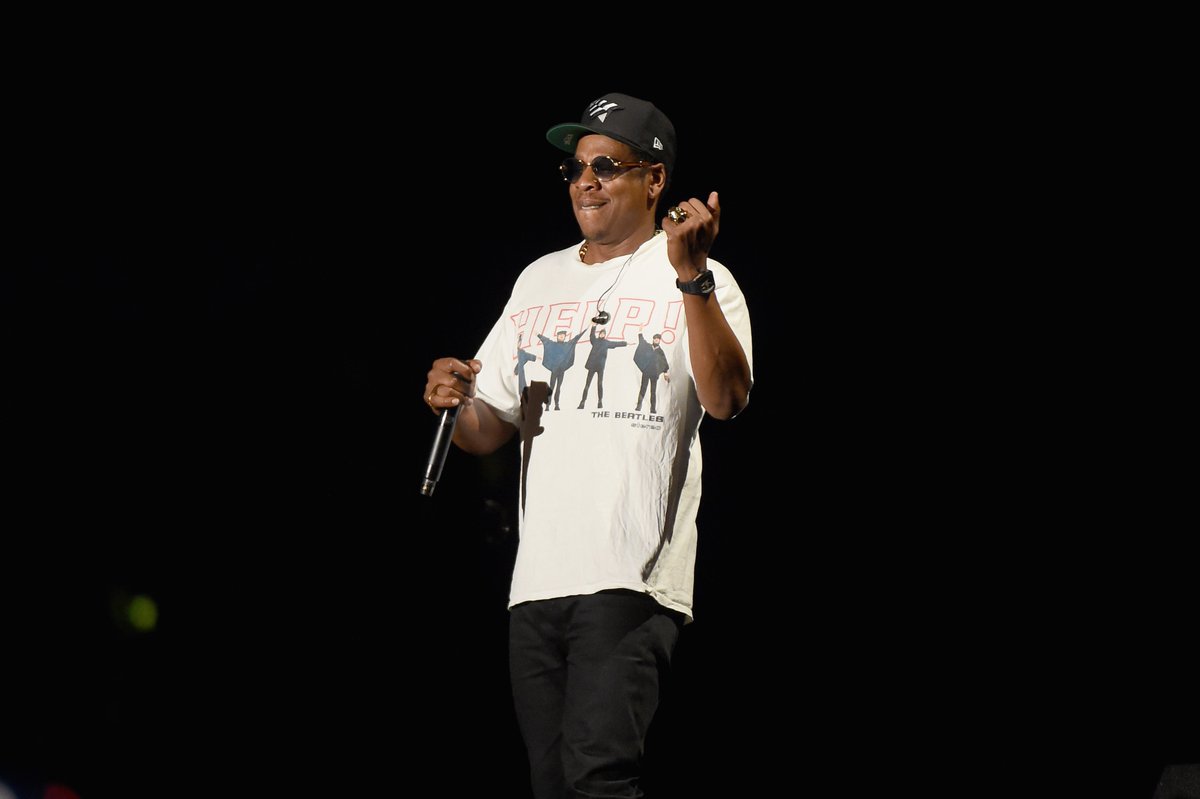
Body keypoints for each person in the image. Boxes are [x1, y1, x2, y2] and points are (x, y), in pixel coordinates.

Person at [422, 92, 753, 799]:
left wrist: (691, 276)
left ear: (654, 179)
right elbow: (490, 426)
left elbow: (727, 398)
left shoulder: (701, 278)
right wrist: (456, 398)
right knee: (552, 784)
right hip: (537, 580)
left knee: (598, 777)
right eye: (575, 169)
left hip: (630, 572)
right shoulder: (538, 279)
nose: (585, 183)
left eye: (606, 167)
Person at [577, 324, 628, 410]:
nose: (602, 335)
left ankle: (600, 401)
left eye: (603, 334)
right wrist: (593, 326)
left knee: (600, 384)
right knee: (587, 384)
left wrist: (625, 343)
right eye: (601, 333)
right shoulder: (595, 341)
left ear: (605, 335)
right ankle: (582, 402)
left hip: (600, 367)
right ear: (599, 334)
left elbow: (616, 343)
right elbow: (591, 335)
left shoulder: (606, 343)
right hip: (592, 366)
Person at [536, 328, 586, 411]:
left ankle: (556, 404)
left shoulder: (567, 345)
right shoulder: (553, 344)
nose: (561, 336)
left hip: (561, 370)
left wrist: (585, 330)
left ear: (565, 337)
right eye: (560, 335)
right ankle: (548, 405)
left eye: (563, 335)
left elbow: (576, 338)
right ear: (557, 336)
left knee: (558, 387)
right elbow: (545, 340)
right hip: (554, 370)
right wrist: (538, 334)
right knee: (551, 387)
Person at [632, 331, 670, 414]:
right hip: (646, 372)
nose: (656, 340)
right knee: (643, 389)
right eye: (655, 338)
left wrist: (665, 373)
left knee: (653, 391)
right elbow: (642, 341)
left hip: (654, 374)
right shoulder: (648, 346)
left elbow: (664, 362)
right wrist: (640, 332)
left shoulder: (660, 351)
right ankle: (638, 406)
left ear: (659, 340)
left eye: (658, 339)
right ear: (653, 339)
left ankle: (652, 409)